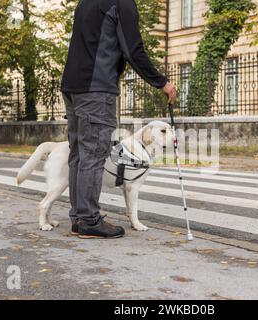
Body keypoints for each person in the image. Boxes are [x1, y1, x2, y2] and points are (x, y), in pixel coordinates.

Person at [61, 0, 177, 239]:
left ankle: (79, 217)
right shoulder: (121, 3)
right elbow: (133, 50)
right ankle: (90, 220)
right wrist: (161, 82)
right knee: (93, 154)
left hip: (72, 86)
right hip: (96, 89)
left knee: (79, 154)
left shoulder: (85, 3)